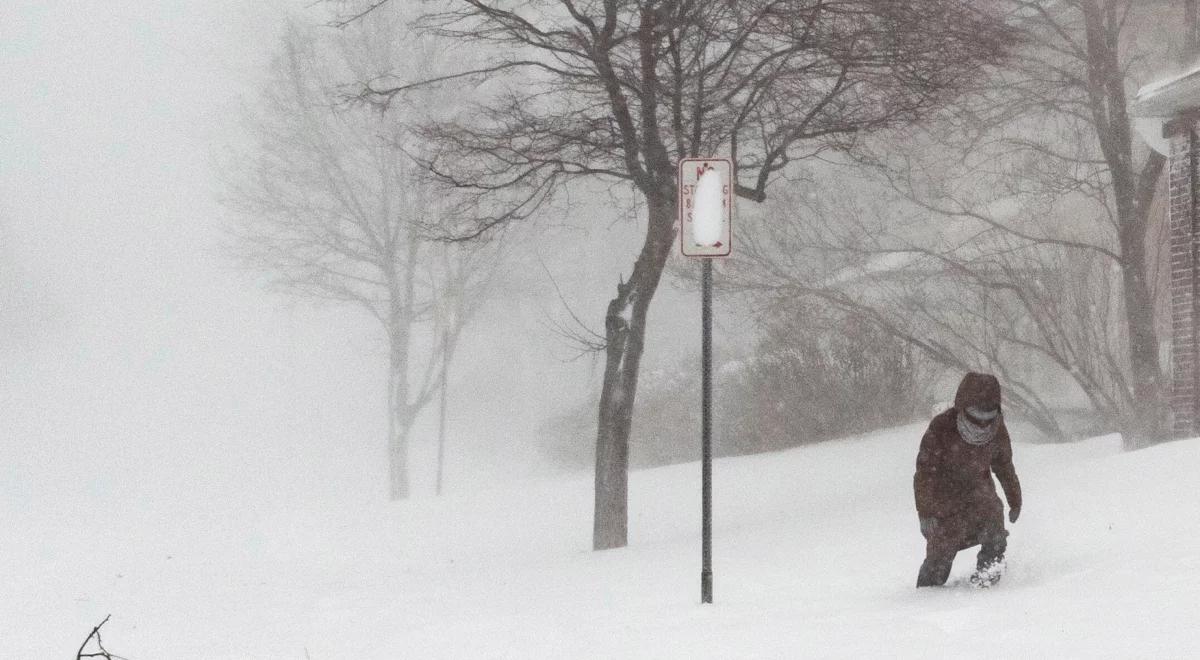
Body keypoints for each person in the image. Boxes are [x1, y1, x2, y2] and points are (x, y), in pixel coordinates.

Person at [913, 372, 1022, 588]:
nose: (982, 423)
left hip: (981, 496)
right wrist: (925, 512)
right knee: (939, 558)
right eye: (975, 415)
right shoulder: (941, 427)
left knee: (995, 536)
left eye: (988, 417)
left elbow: (1003, 465)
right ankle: (925, 599)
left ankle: (988, 582)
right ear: (962, 407)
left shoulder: (997, 429)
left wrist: (1014, 499)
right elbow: (925, 473)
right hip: (945, 502)